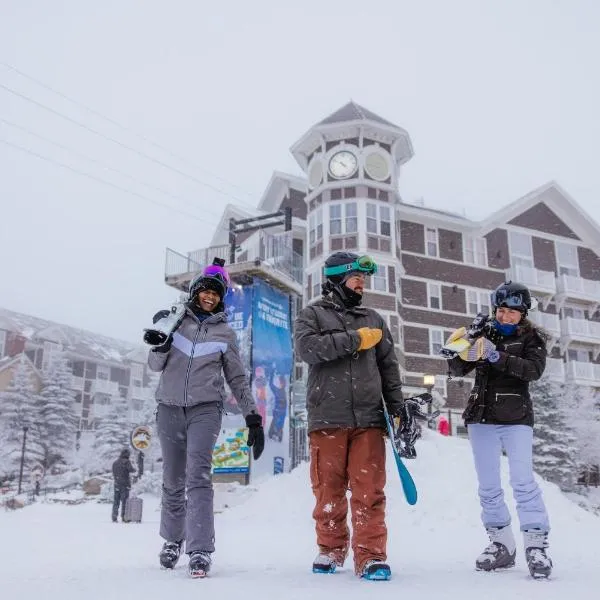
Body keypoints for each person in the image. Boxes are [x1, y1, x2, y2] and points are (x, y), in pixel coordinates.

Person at [147, 258, 265, 578]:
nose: (210, 296)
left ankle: (199, 549)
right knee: (173, 479)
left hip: (205, 410)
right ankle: (173, 540)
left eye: (217, 293)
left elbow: (237, 380)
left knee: (197, 475)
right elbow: (155, 366)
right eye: (206, 291)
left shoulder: (225, 333)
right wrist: (161, 343)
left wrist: (252, 417)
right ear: (196, 291)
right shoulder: (174, 321)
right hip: (169, 408)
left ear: (221, 297)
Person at [294, 252, 407, 581]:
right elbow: (307, 349)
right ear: (336, 279)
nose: (362, 281)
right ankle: (330, 549)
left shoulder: (374, 318)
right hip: (327, 416)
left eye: (363, 277)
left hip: (369, 419)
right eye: (355, 275)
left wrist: (396, 407)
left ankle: (371, 555)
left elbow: (389, 367)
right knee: (327, 489)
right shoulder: (312, 315)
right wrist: (355, 340)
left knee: (369, 489)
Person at [444, 280, 552, 579]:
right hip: (481, 418)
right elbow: (455, 369)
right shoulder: (484, 332)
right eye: (501, 311)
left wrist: (495, 355)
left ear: (523, 313)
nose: (505, 317)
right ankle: (501, 543)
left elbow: (533, 371)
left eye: (512, 312)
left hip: (516, 418)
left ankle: (536, 544)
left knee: (522, 481)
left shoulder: (532, 338)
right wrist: (464, 344)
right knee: (489, 486)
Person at [111, 448, 135, 523]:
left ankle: (114, 517)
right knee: (125, 502)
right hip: (125, 485)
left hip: (116, 484)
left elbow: (114, 473)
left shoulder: (115, 463)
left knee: (116, 501)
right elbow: (131, 470)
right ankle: (124, 517)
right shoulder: (127, 462)